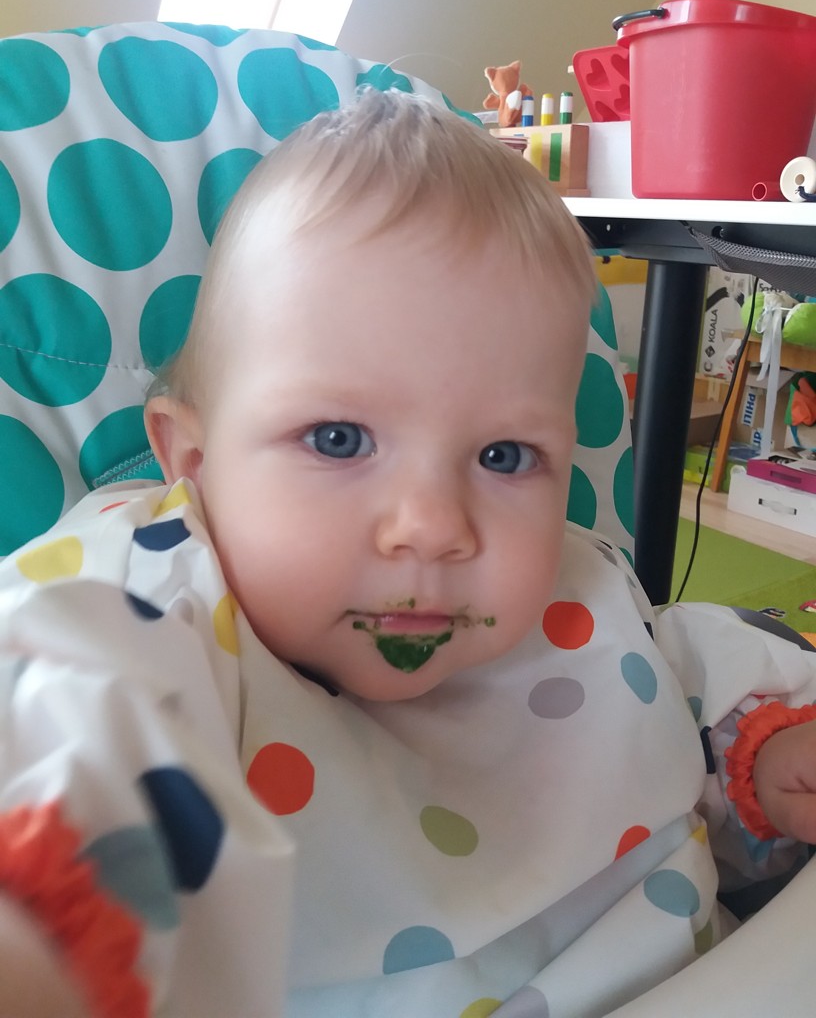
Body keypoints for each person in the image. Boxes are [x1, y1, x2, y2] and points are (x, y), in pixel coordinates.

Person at [2, 89, 816, 1018]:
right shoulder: (163, 594)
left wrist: (763, 762)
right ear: (193, 461)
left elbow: (688, 701)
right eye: (338, 440)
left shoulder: (579, 589)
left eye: (504, 457)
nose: (432, 525)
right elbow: (68, 699)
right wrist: (40, 922)